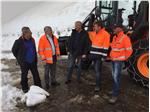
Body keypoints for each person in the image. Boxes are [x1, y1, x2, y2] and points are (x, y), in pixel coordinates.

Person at [12, 27, 41, 93]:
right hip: (24, 63)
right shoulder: (18, 42)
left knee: (36, 75)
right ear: (24, 34)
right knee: (24, 76)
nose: (29, 36)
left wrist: (35, 58)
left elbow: (33, 49)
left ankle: (38, 87)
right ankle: (25, 88)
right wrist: (19, 59)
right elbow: (14, 51)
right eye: (27, 35)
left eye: (30, 34)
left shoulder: (32, 40)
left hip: (33, 61)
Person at [108, 24, 133, 103]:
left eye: (115, 28)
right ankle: (115, 90)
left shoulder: (125, 38)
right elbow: (113, 47)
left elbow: (129, 50)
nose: (113, 29)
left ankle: (114, 95)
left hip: (118, 61)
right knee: (115, 77)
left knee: (116, 77)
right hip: (113, 60)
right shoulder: (115, 37)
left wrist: (123, 58)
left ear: (120, 29)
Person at [89, 21, 110, 92]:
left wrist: (103, 57)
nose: (93, 28)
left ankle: (98, 86)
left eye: (95, 26)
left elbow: (106, 46)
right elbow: (89, 34)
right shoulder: (94, 33)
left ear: (99, 27)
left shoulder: (106, 34)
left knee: (98, 71)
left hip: (99, 57)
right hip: (93, 55)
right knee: (95, 70)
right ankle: (96, 83)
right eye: (93, 26)